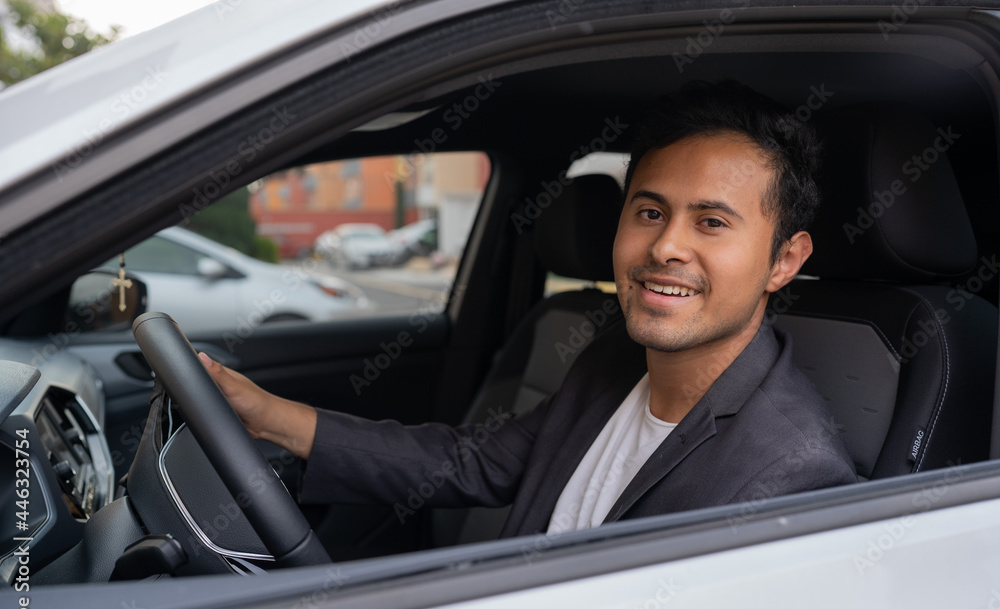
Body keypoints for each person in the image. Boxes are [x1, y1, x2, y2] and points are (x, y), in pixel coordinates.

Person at [199, 80, 857, 538]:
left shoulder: (789, 475)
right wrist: (270, 417)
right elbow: (475, 462)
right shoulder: (615, 356)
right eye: (650, 211)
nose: (665, 247)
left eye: (711, 222)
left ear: (784, 260)